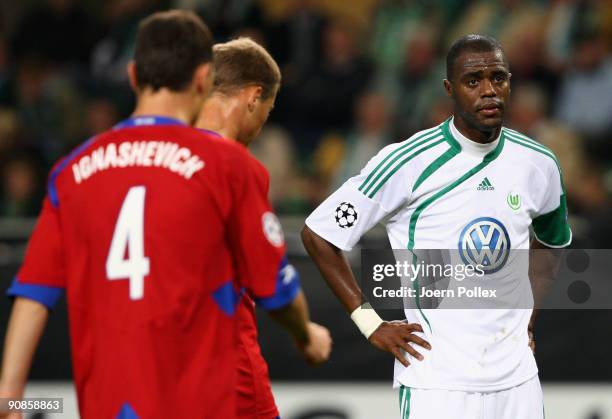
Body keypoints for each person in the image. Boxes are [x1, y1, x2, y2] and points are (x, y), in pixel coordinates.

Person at [0, 11, 308, 419]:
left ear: (130, 76)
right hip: (213, 387)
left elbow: (34, 290)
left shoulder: (76, 168)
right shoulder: (227, 167)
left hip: (111, 395)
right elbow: (275, 286)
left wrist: (11, 398)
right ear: (201, 81)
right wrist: (310, 336)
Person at [302, 34, 571, 419]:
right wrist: (369, 322)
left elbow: (551, 240)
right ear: (450, 88)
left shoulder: (538, 164)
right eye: (473, 81)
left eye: (499, 78)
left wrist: (528, 317)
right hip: (438, 384)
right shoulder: (406, 161)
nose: (489, 90)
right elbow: (319, 234)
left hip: (518, 384)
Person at [196, 37, 332, 419]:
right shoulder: (236, 166)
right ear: (255, 96)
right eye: (268, 111)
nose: (260, 125)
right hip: (227, 370)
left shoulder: (156, 161)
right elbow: (272, 282)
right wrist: (307, 335)